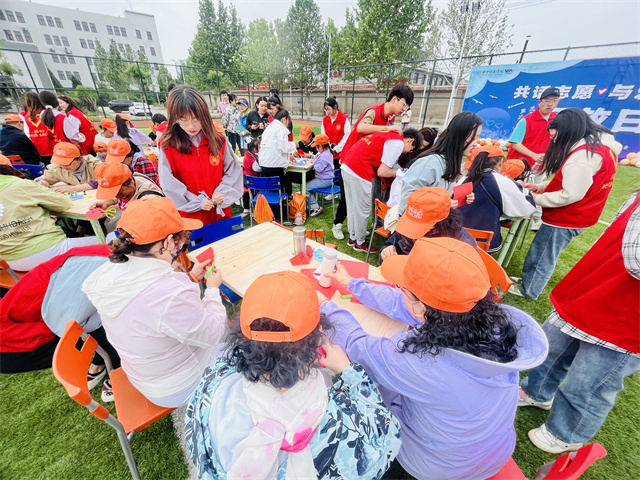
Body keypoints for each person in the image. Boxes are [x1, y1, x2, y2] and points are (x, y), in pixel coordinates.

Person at [324, 237, 548, 480]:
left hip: (434, 468)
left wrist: (323, 307)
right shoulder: (492, 321)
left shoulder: (420, 361)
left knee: (367, 394)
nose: (398, 292)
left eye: (402, 288)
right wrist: (352, 283)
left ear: (422, 309)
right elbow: (403, 305)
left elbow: (358, 346)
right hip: (490, 452)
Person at [184, 271, 402, 479]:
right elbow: (386, 434)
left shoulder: (213, 385)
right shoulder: (345, 428)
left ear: (243, 340)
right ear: (318, 341)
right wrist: (348, 370)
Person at [519, 190, 640, 454]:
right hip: (593, 288)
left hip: (626, 314)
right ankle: (537, 392)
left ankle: (567, 433)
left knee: (588, 383)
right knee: (550, 350)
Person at [82, 197, 227, 408]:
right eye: (180, 238)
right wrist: (212, 290)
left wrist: (192, 278)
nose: (182, 244)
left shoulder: (111, 272)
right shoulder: (169, 293)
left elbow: (154, 312)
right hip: (179, 385)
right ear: (168, 242)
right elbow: (213, 333)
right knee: (243, 346)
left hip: (146, 376)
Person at [510, 108, 621, 300]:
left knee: (543, 253)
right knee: (543, 250)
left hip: (568, 217)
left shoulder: (583, 157)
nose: (554, 141)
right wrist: (542, 187)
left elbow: (571, 194)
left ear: (569, 131)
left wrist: (535, 199)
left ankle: (528, 289)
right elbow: (574, 183)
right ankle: (529, 282)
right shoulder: (601, 149)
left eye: (555, 136)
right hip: (583, 214)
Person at [0, 244, 120, 402]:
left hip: (80, 272)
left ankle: (112, 365)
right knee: (89, 325)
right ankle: (110, 365)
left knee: (87, 323)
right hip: (22, 335)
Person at [158, 84, 243, 225]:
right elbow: (169, 185)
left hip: (219, 212)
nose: (191, 126)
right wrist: (197, 202)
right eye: (183, 120)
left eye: (196, 119)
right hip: (190, 217)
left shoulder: (218, 140)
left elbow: (233, 170)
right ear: (174, 118)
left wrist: (222, 192)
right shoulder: (168, 146)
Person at [0, 158, 98, 271]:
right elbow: (63, 203)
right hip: (46, 251)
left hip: (8, 263)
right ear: (9, 168)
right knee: (109, 242)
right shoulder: (19, 185)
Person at [341, 129, 422, 252]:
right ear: (410, 141)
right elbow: (382, 171)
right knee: (362, 209)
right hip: (359, 170)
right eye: (411, 149)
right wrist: (402, 173)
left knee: (352, 206)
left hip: (347, 165)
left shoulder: (390, 135)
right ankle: (360, 241)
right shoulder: (398, 143)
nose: (407, 152)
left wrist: (398, 170)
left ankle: (353, 237)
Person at [400, 111, 482, 214]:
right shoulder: (430, 163)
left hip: (435, 221)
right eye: (473, 138)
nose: (476, 144)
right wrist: (443, 203)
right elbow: (408, 197)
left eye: (477, 138)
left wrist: (459, 197)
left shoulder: (451, 163)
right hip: (416, 224)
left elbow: (439, 195)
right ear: (460, 136)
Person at [459, 145, 536, 252]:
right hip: (484, 241)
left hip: (455, 234)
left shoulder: (463, 179)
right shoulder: (502, 182)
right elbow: (527, 207)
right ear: (500, 162)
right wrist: (520, 187)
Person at [379, 186, 477, 265]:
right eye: (411, 223)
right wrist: (386, 252)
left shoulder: (461, 243)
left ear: (440, 221)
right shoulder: (406, 229)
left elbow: (464, 282)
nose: (412, 231)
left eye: (419, 225)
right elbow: (390, 244)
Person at [507, 87, 561, 230]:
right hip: (519, 165)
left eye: (554, 100)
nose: (550, 104)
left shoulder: (557, 120)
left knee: (536, 189)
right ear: (539, 102)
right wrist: (533, 155)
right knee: (513, 188)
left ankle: (537, 219)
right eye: (547, 100)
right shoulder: (526, 120)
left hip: (541, 165)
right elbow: (515, 142)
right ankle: (507, 215)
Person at [340, 84, 413, 158]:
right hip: (349, 159)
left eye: (406, 107)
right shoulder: (375, 111)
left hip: (359, 158)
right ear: (394, 99)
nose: (404, 109)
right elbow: (360, 128)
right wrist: (388, 128)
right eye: (404, 105)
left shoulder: (386, 119)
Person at [321, 97, 352, 240]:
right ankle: (334, 193)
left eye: (328, 109)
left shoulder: (344, 119)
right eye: (325, 109)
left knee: (341, 179)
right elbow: (323, 136)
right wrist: (328, 147)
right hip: (330, 153)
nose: (327, 112)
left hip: (341, 154)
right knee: (332, 176)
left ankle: (351, 226)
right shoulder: (325, 120)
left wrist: (337, 148)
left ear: (335, 107)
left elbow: (347, 137)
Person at [94, 160, 163, 211]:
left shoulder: (148, 202)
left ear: (129, 181)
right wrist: (107, 202)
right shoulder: (132, 177)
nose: (117, 196)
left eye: (118, 192)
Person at [258, 109, 296, 197]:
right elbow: (284, 148)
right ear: (284, 119)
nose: (287, 125)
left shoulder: (270, 127)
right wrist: (293, 144)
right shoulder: (280, 128)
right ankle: (278, 209)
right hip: (274, 165)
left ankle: (274, 208)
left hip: (265, 164)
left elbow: (275, 145)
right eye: (288, 122)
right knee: (278, 190)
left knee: (272, 190)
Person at [36, 142, 101, 194]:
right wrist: (41, 182)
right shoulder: (57, 168)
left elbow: (106, 180)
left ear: (80, 158)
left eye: (67, 163)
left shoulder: (94, 164)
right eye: (60, 162)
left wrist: (75, 188)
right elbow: (41, 179)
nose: (64, 166)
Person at [21, 92, 56, 164]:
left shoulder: (27, 116)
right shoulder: (47, 113)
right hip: (53, 146)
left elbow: (28, 134)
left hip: (40, 149)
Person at [305, 134, 334, 217]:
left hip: (324, 180)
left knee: (306, 188)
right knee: (309, 186)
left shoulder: (324, 156)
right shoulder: (327, 153)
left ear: (320, 147)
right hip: (326, 179)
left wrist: (314, 161)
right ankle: (310, 205)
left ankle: (315, 207)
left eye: (316, 147)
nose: (316, 149)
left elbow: (318, 168)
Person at [242, 136, 261, 214]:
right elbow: (258, 169)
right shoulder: (252, 160)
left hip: (245, 176)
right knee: (252, 192)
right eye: (259, 147)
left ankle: (246, 208)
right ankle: (254, 207)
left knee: (247, 191)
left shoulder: (247, 153)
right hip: (252, 179)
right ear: (254, 150)